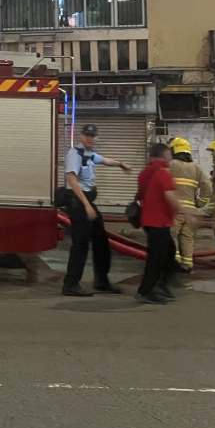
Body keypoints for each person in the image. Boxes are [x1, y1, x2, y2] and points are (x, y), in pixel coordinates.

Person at [61, 123, 133, 297]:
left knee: (101, 241)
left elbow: (105, 160)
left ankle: (101, 281)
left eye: (92, 136)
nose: (90, 138)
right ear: (81, 136)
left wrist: (121, 164)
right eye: (87, 135)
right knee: (81, 244)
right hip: (78, 203)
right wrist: (87, 205)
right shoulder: (75, 154)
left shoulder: (89, 154)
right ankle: (70, 285)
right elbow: (71, 180)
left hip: (86, 203)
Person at [135, 143, 182, 304]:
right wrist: (186, 213)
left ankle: (159, 284)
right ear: (163, 156)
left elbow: (140, 194)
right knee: (157, 258)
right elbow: (169, 196)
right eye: (169, 155)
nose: (171, 158)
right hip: (158, 221)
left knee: (168, 252)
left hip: (149, 220)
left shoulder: (144, 173)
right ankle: (146, 291)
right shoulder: (162, 172)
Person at [168, 137, 211, 273]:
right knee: (187, 237)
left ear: (174, 150)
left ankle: (174, 260)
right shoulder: (196, 168)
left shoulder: (170, 165)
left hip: (174, 209)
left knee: (171, 235)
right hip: (191, 211)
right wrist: (200, 202)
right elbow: (207, 186)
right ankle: (187, 264)